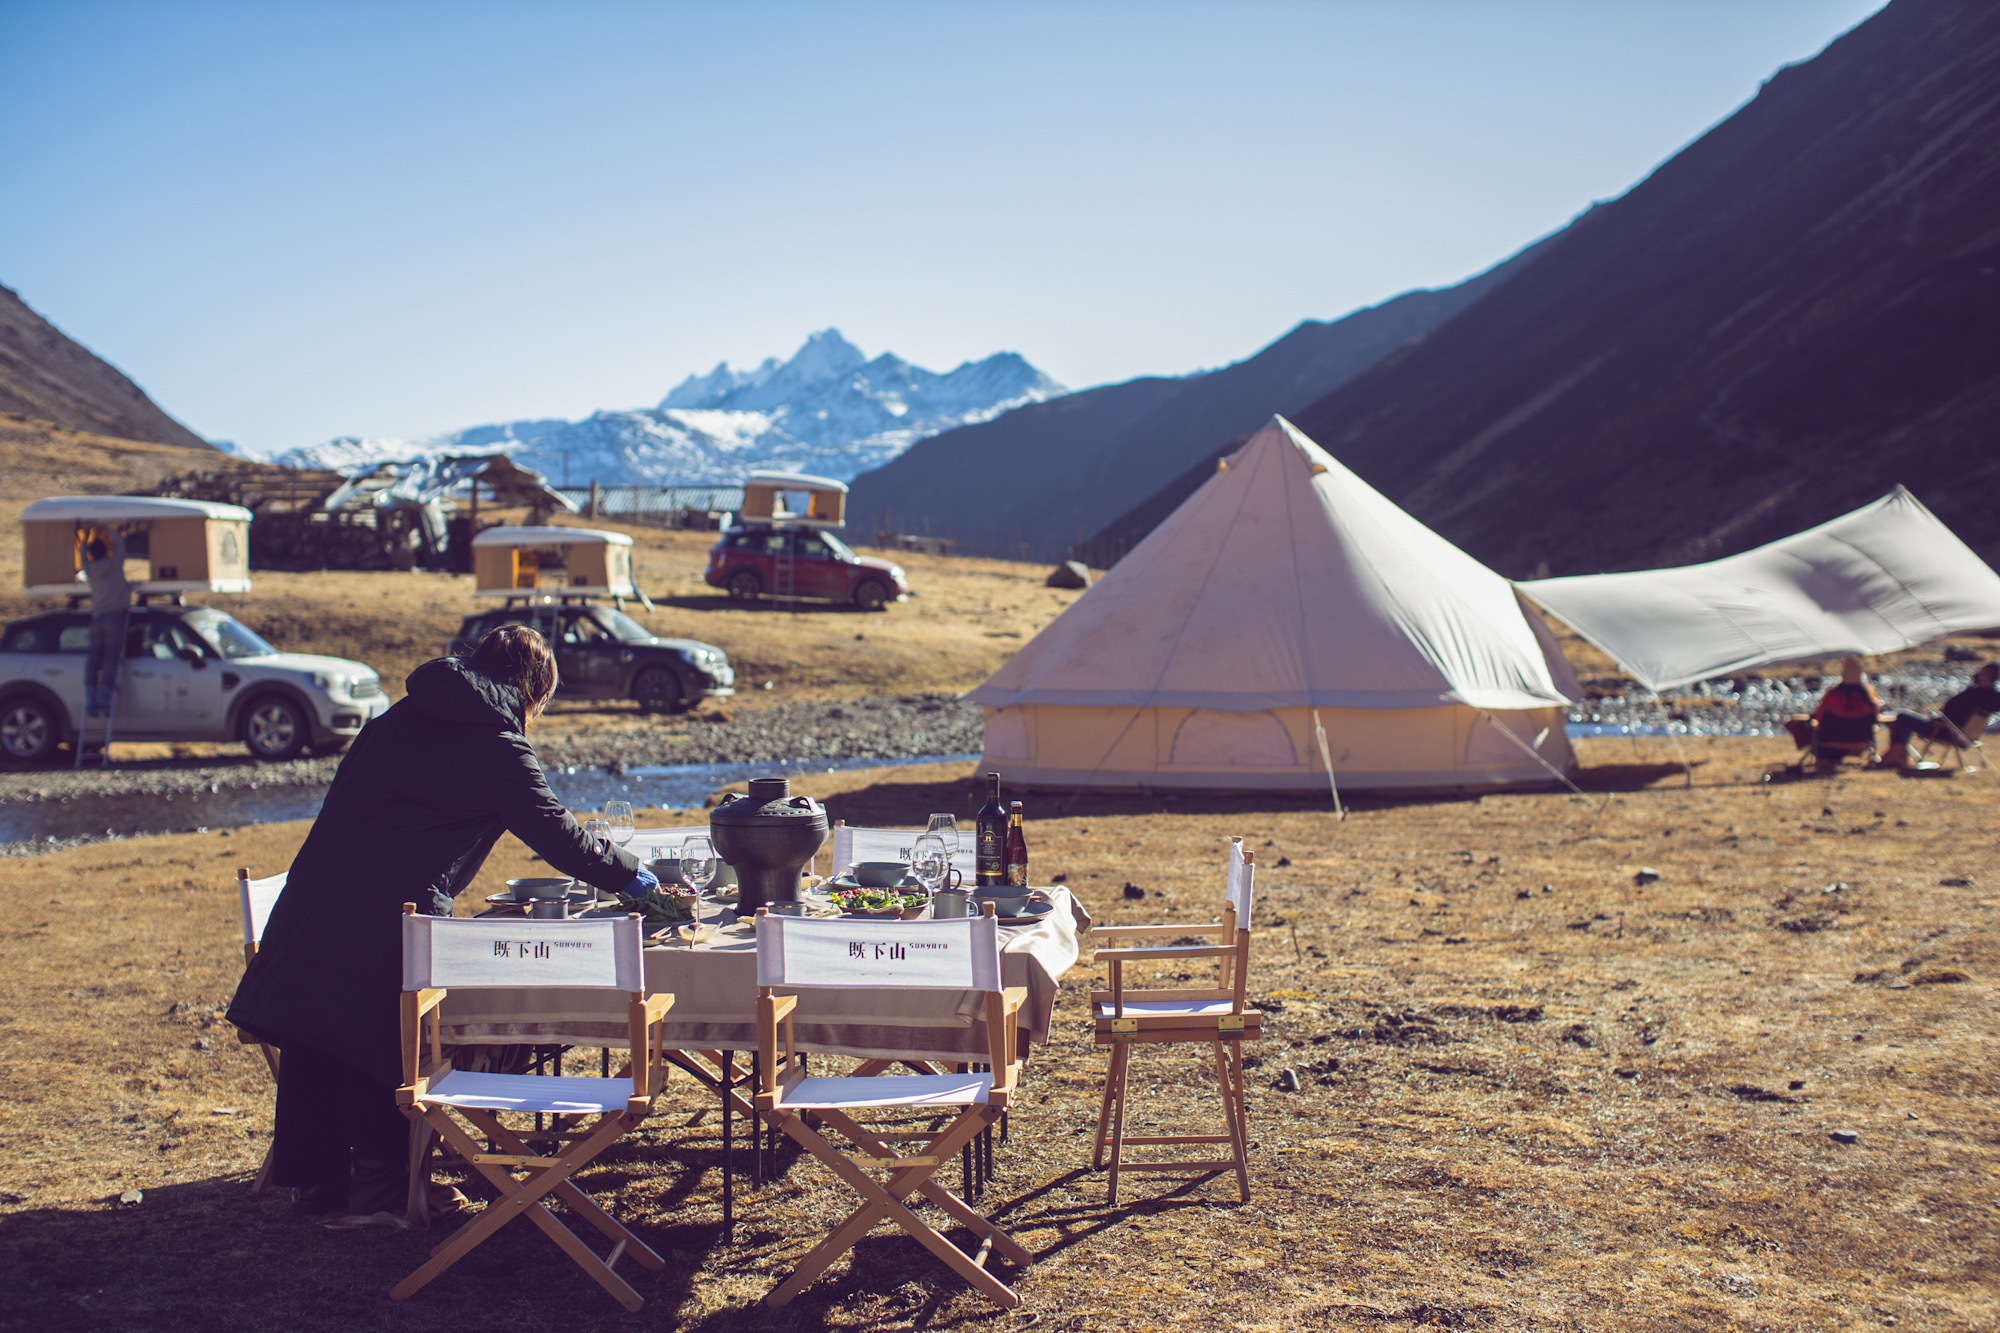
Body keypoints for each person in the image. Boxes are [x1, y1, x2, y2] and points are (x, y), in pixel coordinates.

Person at [226, 625, 656, 1227]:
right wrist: (636, 878)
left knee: (320, 1034)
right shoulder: (495, 741)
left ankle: (320, 1186)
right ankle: (380, 1196)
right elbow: (555, 831)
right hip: (389, 911)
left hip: (319, 895)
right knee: (383, 1040)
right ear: (531, 689)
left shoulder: (404, 712)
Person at [1879, 661, 2000, 767]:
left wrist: (1937, 721)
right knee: (1905, 716)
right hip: (1953, 731)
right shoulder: (1991, 696)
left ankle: (1896, 756)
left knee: (1902, 716)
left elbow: (1956, 715)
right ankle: (1897, 755)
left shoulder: (1976, 695)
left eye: (1983, 672)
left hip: (1944, 731)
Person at [1781, 657, 1880, 766]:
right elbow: (1875, 720)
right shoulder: (1869, 700)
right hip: (1860, 741)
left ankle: (1822, 757)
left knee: (1804, 727)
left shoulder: (1832, 696)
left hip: (1829, 740)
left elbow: (1819, 718)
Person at [81, 528, 131, 717]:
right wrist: (108, 529)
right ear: (106, 551)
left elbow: (83, 554)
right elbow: (120, 545)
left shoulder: (89, 570)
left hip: (97, 618)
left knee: (94, 660)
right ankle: (103, 699)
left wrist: (85, 537)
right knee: (110, 659)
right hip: (115, 617)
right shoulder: (114, 565)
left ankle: (90, 699)